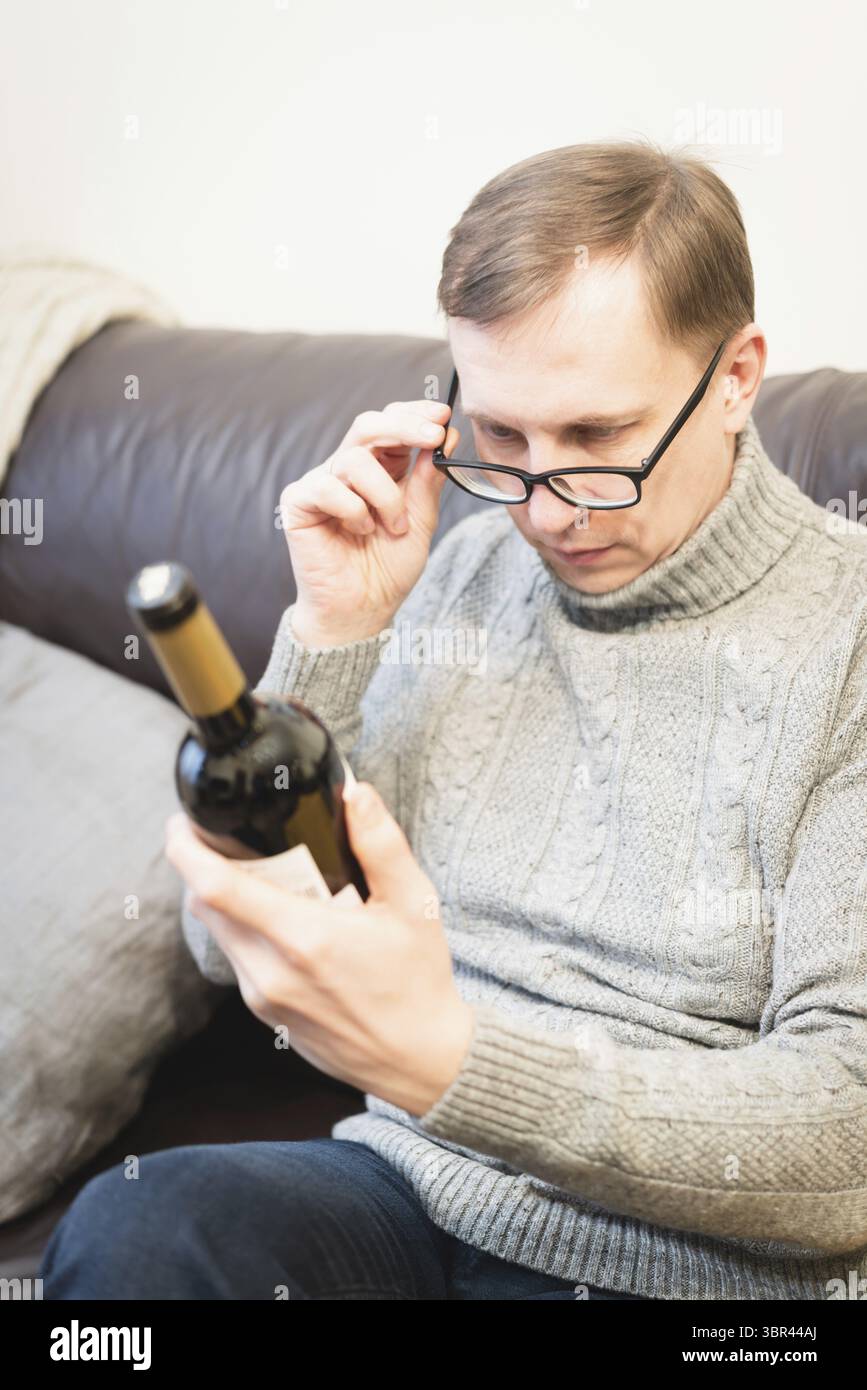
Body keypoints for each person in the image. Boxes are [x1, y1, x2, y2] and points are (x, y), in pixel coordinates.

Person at [41, 141, 867, 1301]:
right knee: (145, 1225)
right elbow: (227, 948)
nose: (544, 511)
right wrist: (331, 637)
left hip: (693, 1271)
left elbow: (848, 1139)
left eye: (596, 443)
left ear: (738, 377)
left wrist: (456, 1063)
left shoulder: (851, 636)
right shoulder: (451, 572)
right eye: (503, 442)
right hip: (411, 1189)